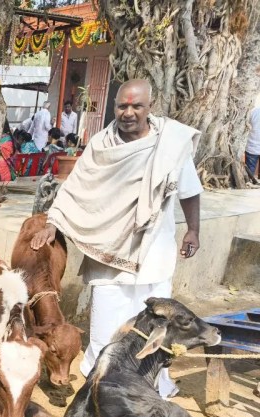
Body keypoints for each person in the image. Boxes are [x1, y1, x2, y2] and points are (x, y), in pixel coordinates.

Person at [29, 79, 203, 399]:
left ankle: (153, 389)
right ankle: (102, 391)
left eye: (137, 106)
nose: (128, 112)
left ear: (150, 107)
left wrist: (193, 229)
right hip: (107, 255)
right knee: (106, 329)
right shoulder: (101, 145)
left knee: (156, 327)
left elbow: (190, 191)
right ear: (114, 107)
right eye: (123, 105)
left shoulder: (170, 143)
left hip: (153, 253)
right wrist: (53, 224)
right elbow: (76, 188)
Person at [245, 106, 260, 178]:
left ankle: (250, 182)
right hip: (252, 146)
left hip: (252, 146)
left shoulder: (253, 111)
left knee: (250, 174)